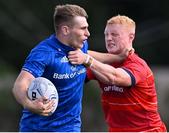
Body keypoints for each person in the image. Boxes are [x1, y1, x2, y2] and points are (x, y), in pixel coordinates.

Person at [12, 4, 126, 132]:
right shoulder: (44, 53)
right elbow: (21, 83)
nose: (87, 33)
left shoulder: (80, 45)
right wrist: (29, 104)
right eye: (83, 28)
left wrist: (116, 57)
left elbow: (87, 54)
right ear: (66, 30)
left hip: (70, 127)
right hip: (38, 129)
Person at [68, 15, 167, 132]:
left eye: (114, 34)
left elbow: (114, 77)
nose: (109, 38)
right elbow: (71, 75)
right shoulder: (102, 64)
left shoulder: (137, 65)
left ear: (131, 37)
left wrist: (86, 59)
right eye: (106, 34)